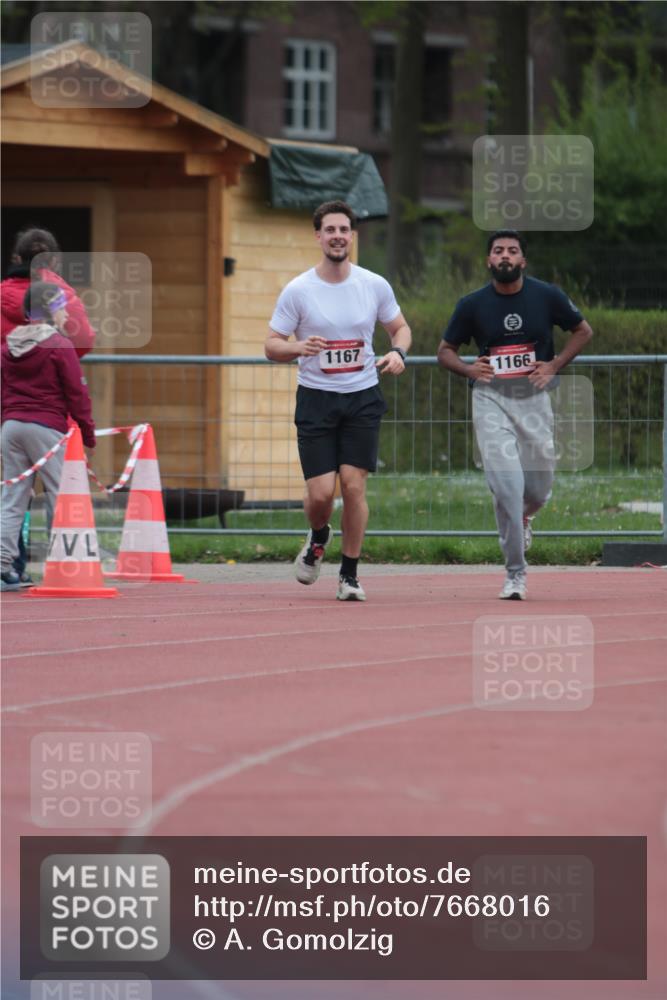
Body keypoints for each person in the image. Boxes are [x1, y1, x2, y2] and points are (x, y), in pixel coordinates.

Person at [265, 200, 411, 602]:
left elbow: (400, 328)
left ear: (353, 236)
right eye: (329, 230)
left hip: (362, 396)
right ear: (318, 237)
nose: (337, 236)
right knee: (320, 496)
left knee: (353, 486)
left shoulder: (373, 284)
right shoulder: (298, 290)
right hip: (316, 400)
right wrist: (297, 347)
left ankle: (349, 574)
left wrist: (399, 353)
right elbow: (271, 345)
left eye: (344, 229)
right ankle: (318, 535)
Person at [437, 229, 593, 600]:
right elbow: (445, 351)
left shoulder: (547, 295)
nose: (505, 256)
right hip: (491, 400)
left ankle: (525, 516)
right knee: (507, 486)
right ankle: (515, 573)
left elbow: (583, 331)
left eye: (512, 251)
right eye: (498, 251)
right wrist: (469, 370)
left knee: (537, 490)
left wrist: (554, 365)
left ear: (522, 260)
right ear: (489, 261)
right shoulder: (471, 304)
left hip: (535, 400)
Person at [1, 226, 95, 583]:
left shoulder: (8, 346)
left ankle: (3, 565)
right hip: (47, 425)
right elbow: (76, 391)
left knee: (12, 497)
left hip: (11, 424)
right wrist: (86, 430)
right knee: (63, 492)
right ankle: (67, 562)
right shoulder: (60, 344)